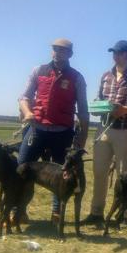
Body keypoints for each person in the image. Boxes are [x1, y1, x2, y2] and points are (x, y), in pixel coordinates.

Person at [18, 38, 89, 223]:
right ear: (52, 52)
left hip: (62, 133)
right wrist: (27, 113)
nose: (59, 53)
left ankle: (56, 212)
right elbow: (24, 97)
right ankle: (19, 210)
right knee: (22, 167)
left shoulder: (77, 77)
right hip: (36, 129)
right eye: (56, 49)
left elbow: (83, 110)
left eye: (64, 50)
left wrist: (83, 136)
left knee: (62, 174)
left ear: (70, 54)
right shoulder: (38, 70)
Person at [83, 40, 127, 225]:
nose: (116, 56)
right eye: (114, 53)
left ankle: (122, 215)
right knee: (99, 171)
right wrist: (97, 106)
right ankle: (96, 213)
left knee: (124, 176)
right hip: (104, 129)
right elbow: (100, 99)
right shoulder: (105, 76)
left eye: (120, 53)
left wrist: (124, 109)